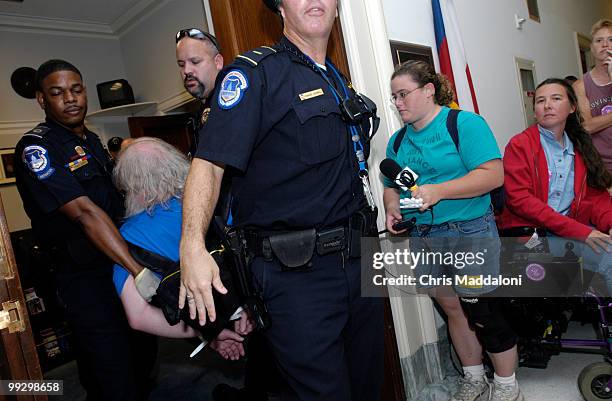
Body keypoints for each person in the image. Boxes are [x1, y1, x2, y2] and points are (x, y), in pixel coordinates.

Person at [179, 0, 384, 399]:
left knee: (367, 384)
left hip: (361, 260)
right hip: (299, 276)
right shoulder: (255, 74)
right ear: (280, 8)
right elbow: (209, 164)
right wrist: (191, 245)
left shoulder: (337, 79)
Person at [13, 59, 156, 401]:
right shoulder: (37, 148)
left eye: (76, 90)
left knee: (141, 352)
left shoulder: (92, 141)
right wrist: (138, 271)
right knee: (110, 364)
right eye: (57, 93)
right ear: (42, 100)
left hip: (119, 263)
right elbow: (86, 213)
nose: (70, 99)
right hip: (83, 274)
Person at [383, 60, 522, 401]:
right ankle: (474, 378)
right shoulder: (397, 141)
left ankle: (507, 385)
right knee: (452, 309)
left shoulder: (464, 124)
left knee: (483, 311)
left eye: (403, 94)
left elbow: (493, 175)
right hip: (424, 237)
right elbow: (390, 184)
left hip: (470, 230)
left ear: (429, 90)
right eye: (394, 97)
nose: (398, 102)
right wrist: (392, 208)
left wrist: (440, 191)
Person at [111, 137, 250, 360]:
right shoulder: (213, 200)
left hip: (205, 317)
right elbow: (248, 252)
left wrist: (209, 332)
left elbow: (138, 317)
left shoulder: (127, 237)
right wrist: (246, 307)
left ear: (130, 186)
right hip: (258, 308)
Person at [499, 78, 612, 294]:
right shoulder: (520, 145)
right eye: (540, 101)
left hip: (567, 230)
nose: (547, 105)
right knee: (609, 257)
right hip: (531, 236)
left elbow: (597, 197)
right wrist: (580, 232)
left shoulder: (580, 147)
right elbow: (521, 200)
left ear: (572, 107)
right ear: (535, 112)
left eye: (556, 98)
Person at [176, 28, 223, 156]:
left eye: (195, 61)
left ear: (218, 62)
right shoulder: (200, 115)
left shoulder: (231, 107)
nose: (186, 70)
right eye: (181, 64)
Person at [572, 19, 612, 172]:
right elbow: (587, 126)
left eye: (610, 40)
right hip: (601, 166)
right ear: (592, 48)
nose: (605, 45)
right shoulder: (581, 85)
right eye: (599, 40)